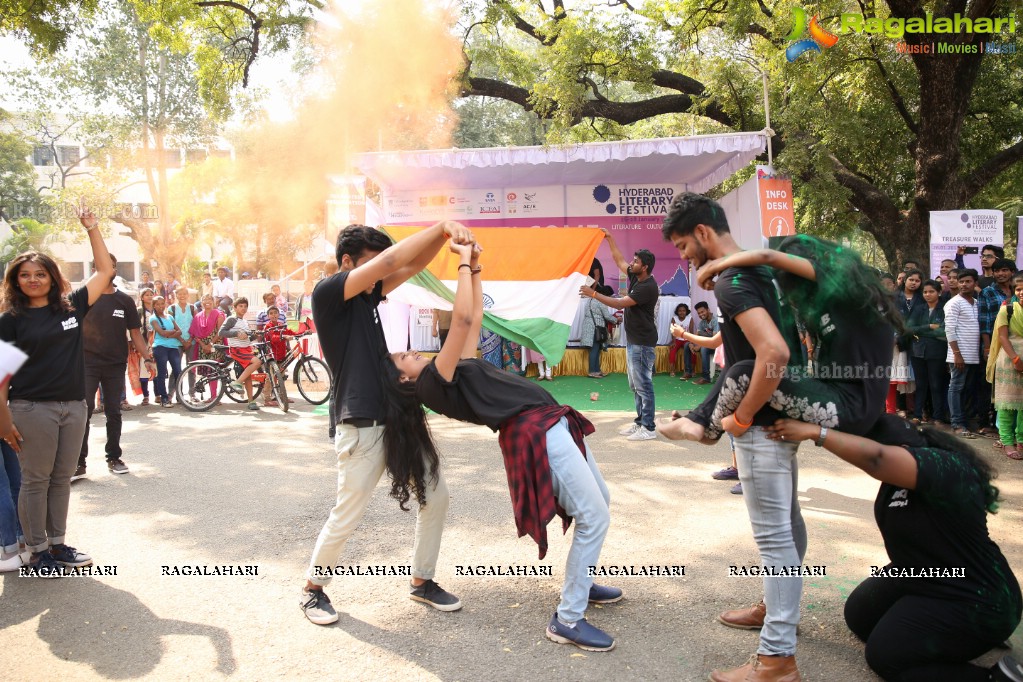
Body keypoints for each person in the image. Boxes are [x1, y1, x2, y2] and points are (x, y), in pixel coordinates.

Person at [386, 240, 621, 651]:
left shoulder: (448, 370)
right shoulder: (430, 383)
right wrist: (460, 262)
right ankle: (568, 619)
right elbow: (458, 321)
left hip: (549, 424)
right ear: (405, 380)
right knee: (594, 515)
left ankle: (580, 586)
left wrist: (475, 270)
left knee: (599, 500)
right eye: (401, 359)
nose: (406, 352)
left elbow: (474, 321)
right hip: (536, 431)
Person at [659, 192, 807, 681]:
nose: (683, 257)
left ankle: (776, 659)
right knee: (787, 520)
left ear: (703, 233)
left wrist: (740, 417)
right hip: (785, 410)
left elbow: (774, 353)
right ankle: (776, 609)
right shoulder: (762, 272)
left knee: (774, 536)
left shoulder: (733, 281)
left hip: (762, 419)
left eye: (683, 245)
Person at [300, 221, 473, 626]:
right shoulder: (329, 293)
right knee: (348, 512)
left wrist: (443, 240)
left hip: (399, 417)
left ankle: (422, 580)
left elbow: (410, 266)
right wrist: (442, 225)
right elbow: (396, 259)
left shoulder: (366, 296)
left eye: (379, 264)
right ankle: (313, 589)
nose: (381, 271)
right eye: (371, 263)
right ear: (346, 263)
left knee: (436, 495)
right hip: (360, 424)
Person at [767, 414, 1022, 682]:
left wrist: (816, 433)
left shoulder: (947, 467)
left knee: (887, 656)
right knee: (860, 616)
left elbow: (876, 459)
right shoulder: (894, 481)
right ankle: (953, 637)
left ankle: (997, 676)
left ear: (902, 450)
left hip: (975, 595)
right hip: (921, 575)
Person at [664, 234, 898, 445]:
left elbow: (768, 257)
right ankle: (699, 421)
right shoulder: (836, 301)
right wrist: (721, 283)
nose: (795, 294)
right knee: (755, 370)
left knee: (744, 372)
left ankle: (708, 429)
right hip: (832, 392)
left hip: (852, 409)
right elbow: (767, 280)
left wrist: (718, 264)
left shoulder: (848, 290)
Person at [0, 202, 114, 577]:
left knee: (61, 479)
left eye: (40, 273)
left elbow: (105, 270)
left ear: (52, 277)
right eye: (25, 275)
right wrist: (4, 420)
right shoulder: (10, 321)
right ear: (16, 281)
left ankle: (57, 544)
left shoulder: (70, 308)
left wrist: (91, 228)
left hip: (74, 407)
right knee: (35, 481)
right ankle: (36, 551)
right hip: (32, 409)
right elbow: (1, 377)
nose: (33, 280)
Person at [75, 254, 155, 480]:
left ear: (115, 269)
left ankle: (113, 457)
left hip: (114, 364)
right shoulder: (83, 299)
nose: (105, 269)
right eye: (100, 265)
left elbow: (136, 333)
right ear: (94, 269)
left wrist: (147, 358)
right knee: (85, 411)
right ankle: (79, 462)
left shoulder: (125, 301)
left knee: (113, 411)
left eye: (109, 266)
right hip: (87, 363)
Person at [579, 228, 658, 442]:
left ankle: (649, 427)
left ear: (645, 267)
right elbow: (618, 260)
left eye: (636, 262)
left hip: (643, 342)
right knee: (635, 385)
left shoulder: (648, 287)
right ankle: (640, 422)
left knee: (643, 385)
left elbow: (619, 303)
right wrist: (610, 238)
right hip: (634, 341)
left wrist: (593, 293)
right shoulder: (636, 276)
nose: (631, 264)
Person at [977, 258, 1016, 439]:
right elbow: (984, 322)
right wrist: (986, 348)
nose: (1000, 274)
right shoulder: (987, 292)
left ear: (1012, 272)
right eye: (997, 271)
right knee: (990, 385)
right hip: (995, 344)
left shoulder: (1018, 291)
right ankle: (989, 424)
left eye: (1004, 270)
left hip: (1016, 343)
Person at [986, 272, 1023, 460]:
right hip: (1009, 361)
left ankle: (1021, 441)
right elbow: (1002, 337)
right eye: (1018, 288)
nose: (1022, 292)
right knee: (1007, 404)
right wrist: (1016, 360)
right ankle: (1007, 442)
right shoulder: (1007, 310)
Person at [906, 279, 948, 427]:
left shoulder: (944, 308)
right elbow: (909, 329)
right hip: (918, 351)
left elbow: (944, 331)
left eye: (931, 291)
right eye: (925, 292)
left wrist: (922, 331)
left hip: (937, 351)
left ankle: (938, 417)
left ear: (939, 292)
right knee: (921, 384)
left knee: (936, 384)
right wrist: (929, 327)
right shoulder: (919, 308)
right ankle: (917, 415)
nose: (928, 294)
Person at [946, 269, 981, 438]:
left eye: (968, 281)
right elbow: (949, 330)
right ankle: (957, 424)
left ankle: (965, 421)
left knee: (968, 390)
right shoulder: (954, 303)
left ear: (975, 283)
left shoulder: (976, 302)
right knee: (956, 388)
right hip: (958, 355)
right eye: (961, 282)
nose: (964, 285)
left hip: (974, 355)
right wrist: (957, 354)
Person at [219, 298, 262, 411]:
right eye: (241, 306)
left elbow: (248, 337)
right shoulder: (231, 319)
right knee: (257, 362)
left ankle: (251, 401)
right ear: (235, 307)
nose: (243, 308)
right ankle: (236, 382)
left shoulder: (245, 322)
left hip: (247, 349)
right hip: (237, 350)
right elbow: (221, 332)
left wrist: (254, 335)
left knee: (247, 375)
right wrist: (236, 333)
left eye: (245, 306)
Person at [149, 295, 183, 409]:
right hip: (160, 347)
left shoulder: (170, 317)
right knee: (162, 373)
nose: (160, 306)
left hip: (173, 347)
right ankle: (164, 398)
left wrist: (169, 334)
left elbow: (180, 331)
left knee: (178, 371)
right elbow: (162, 333)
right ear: (154, 306)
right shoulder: (153, 318)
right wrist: (172, 333)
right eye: (157, 304)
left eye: (162, 303)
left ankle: (180, 396)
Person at [582, 284, 617, 378]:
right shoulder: (601, 301)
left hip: (589, 327)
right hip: (596, 328)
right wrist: (616, 320)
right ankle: (592, 371)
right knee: (595, 350)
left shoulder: (590, 300)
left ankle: (597, 371)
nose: (609, 298)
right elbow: (607, 316)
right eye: (609, 296)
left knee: (596, 349)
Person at [188, 294, 226, 363]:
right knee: (205, 368)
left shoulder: (219, 315)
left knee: (215, 369)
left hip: (215, 346)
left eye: (209, 299)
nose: (207, 301)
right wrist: (203, 346)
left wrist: (210, 345)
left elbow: (220, 332)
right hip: (202, 348)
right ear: (201, 303)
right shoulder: (197, 317)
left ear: (213, 302)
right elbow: (195, 333)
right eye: (204, 299)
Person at [692, 301, 718, 385]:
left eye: (702, 312)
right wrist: (691, 344)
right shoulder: (702, 323)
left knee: (704, 348)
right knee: (686, 345)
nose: (700, 314)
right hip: (707, 344)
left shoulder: (715, 320)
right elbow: (696, 336)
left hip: (718, 347)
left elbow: (714, 340)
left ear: (708, 310)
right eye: (699, 313)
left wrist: (699, 346)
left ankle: (706, 377)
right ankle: (689, 372)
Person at [667, 303, 692, 378]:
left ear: (686, 311)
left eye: (684, 310)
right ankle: (672, 370)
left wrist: (691, 342)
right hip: (677, 339)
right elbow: (673, 331)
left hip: (686, 339)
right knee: (672, 349)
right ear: (677, 312)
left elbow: (691, 331)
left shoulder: (690, 318)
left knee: (692, 350)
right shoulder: (674, 318)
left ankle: (692, 370)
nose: (682, 312)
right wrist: (673, 341)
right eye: (680, 311)